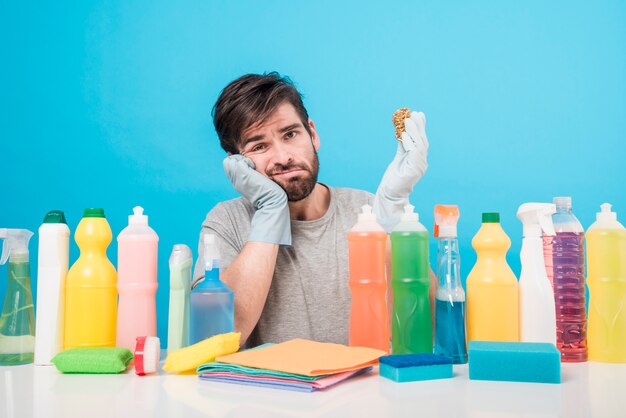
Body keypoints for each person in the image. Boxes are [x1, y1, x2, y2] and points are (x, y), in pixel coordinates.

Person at [194, 72, 430, 347]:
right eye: (259, 146)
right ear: (236, 164)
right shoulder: (227, 223)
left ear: (312, 134)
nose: (284, 157)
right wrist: (271, 209)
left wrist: (394, 217)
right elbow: (213, 339)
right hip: (271, 390)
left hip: (366, 388)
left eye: (290, 134)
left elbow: (430, 327)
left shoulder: (368, 213)